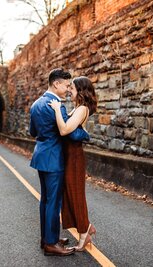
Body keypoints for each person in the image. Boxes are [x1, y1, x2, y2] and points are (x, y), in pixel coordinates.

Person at [29, 68, 90, 256]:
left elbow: (33, 132)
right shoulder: (56, 105)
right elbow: (70, 133)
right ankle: (51, 244)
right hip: (54, 159)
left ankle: (47, 237)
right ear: (56, 84)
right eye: (65, 85)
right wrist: (85, 134)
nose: (68, 89)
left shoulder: (36, 104)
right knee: (53, 202)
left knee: (45, 200)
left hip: (40, 156)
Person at [49, 76, 98, 251]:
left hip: (75, 158)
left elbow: (64, 130)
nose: (69, 90)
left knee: (76, 194)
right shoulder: (78, 108)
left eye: (73, 88)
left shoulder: (82, 109)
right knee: (69, 194)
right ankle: (87, 226)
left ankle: (84, 235)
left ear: (81, 91)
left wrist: (56, 109)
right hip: (69, 156)